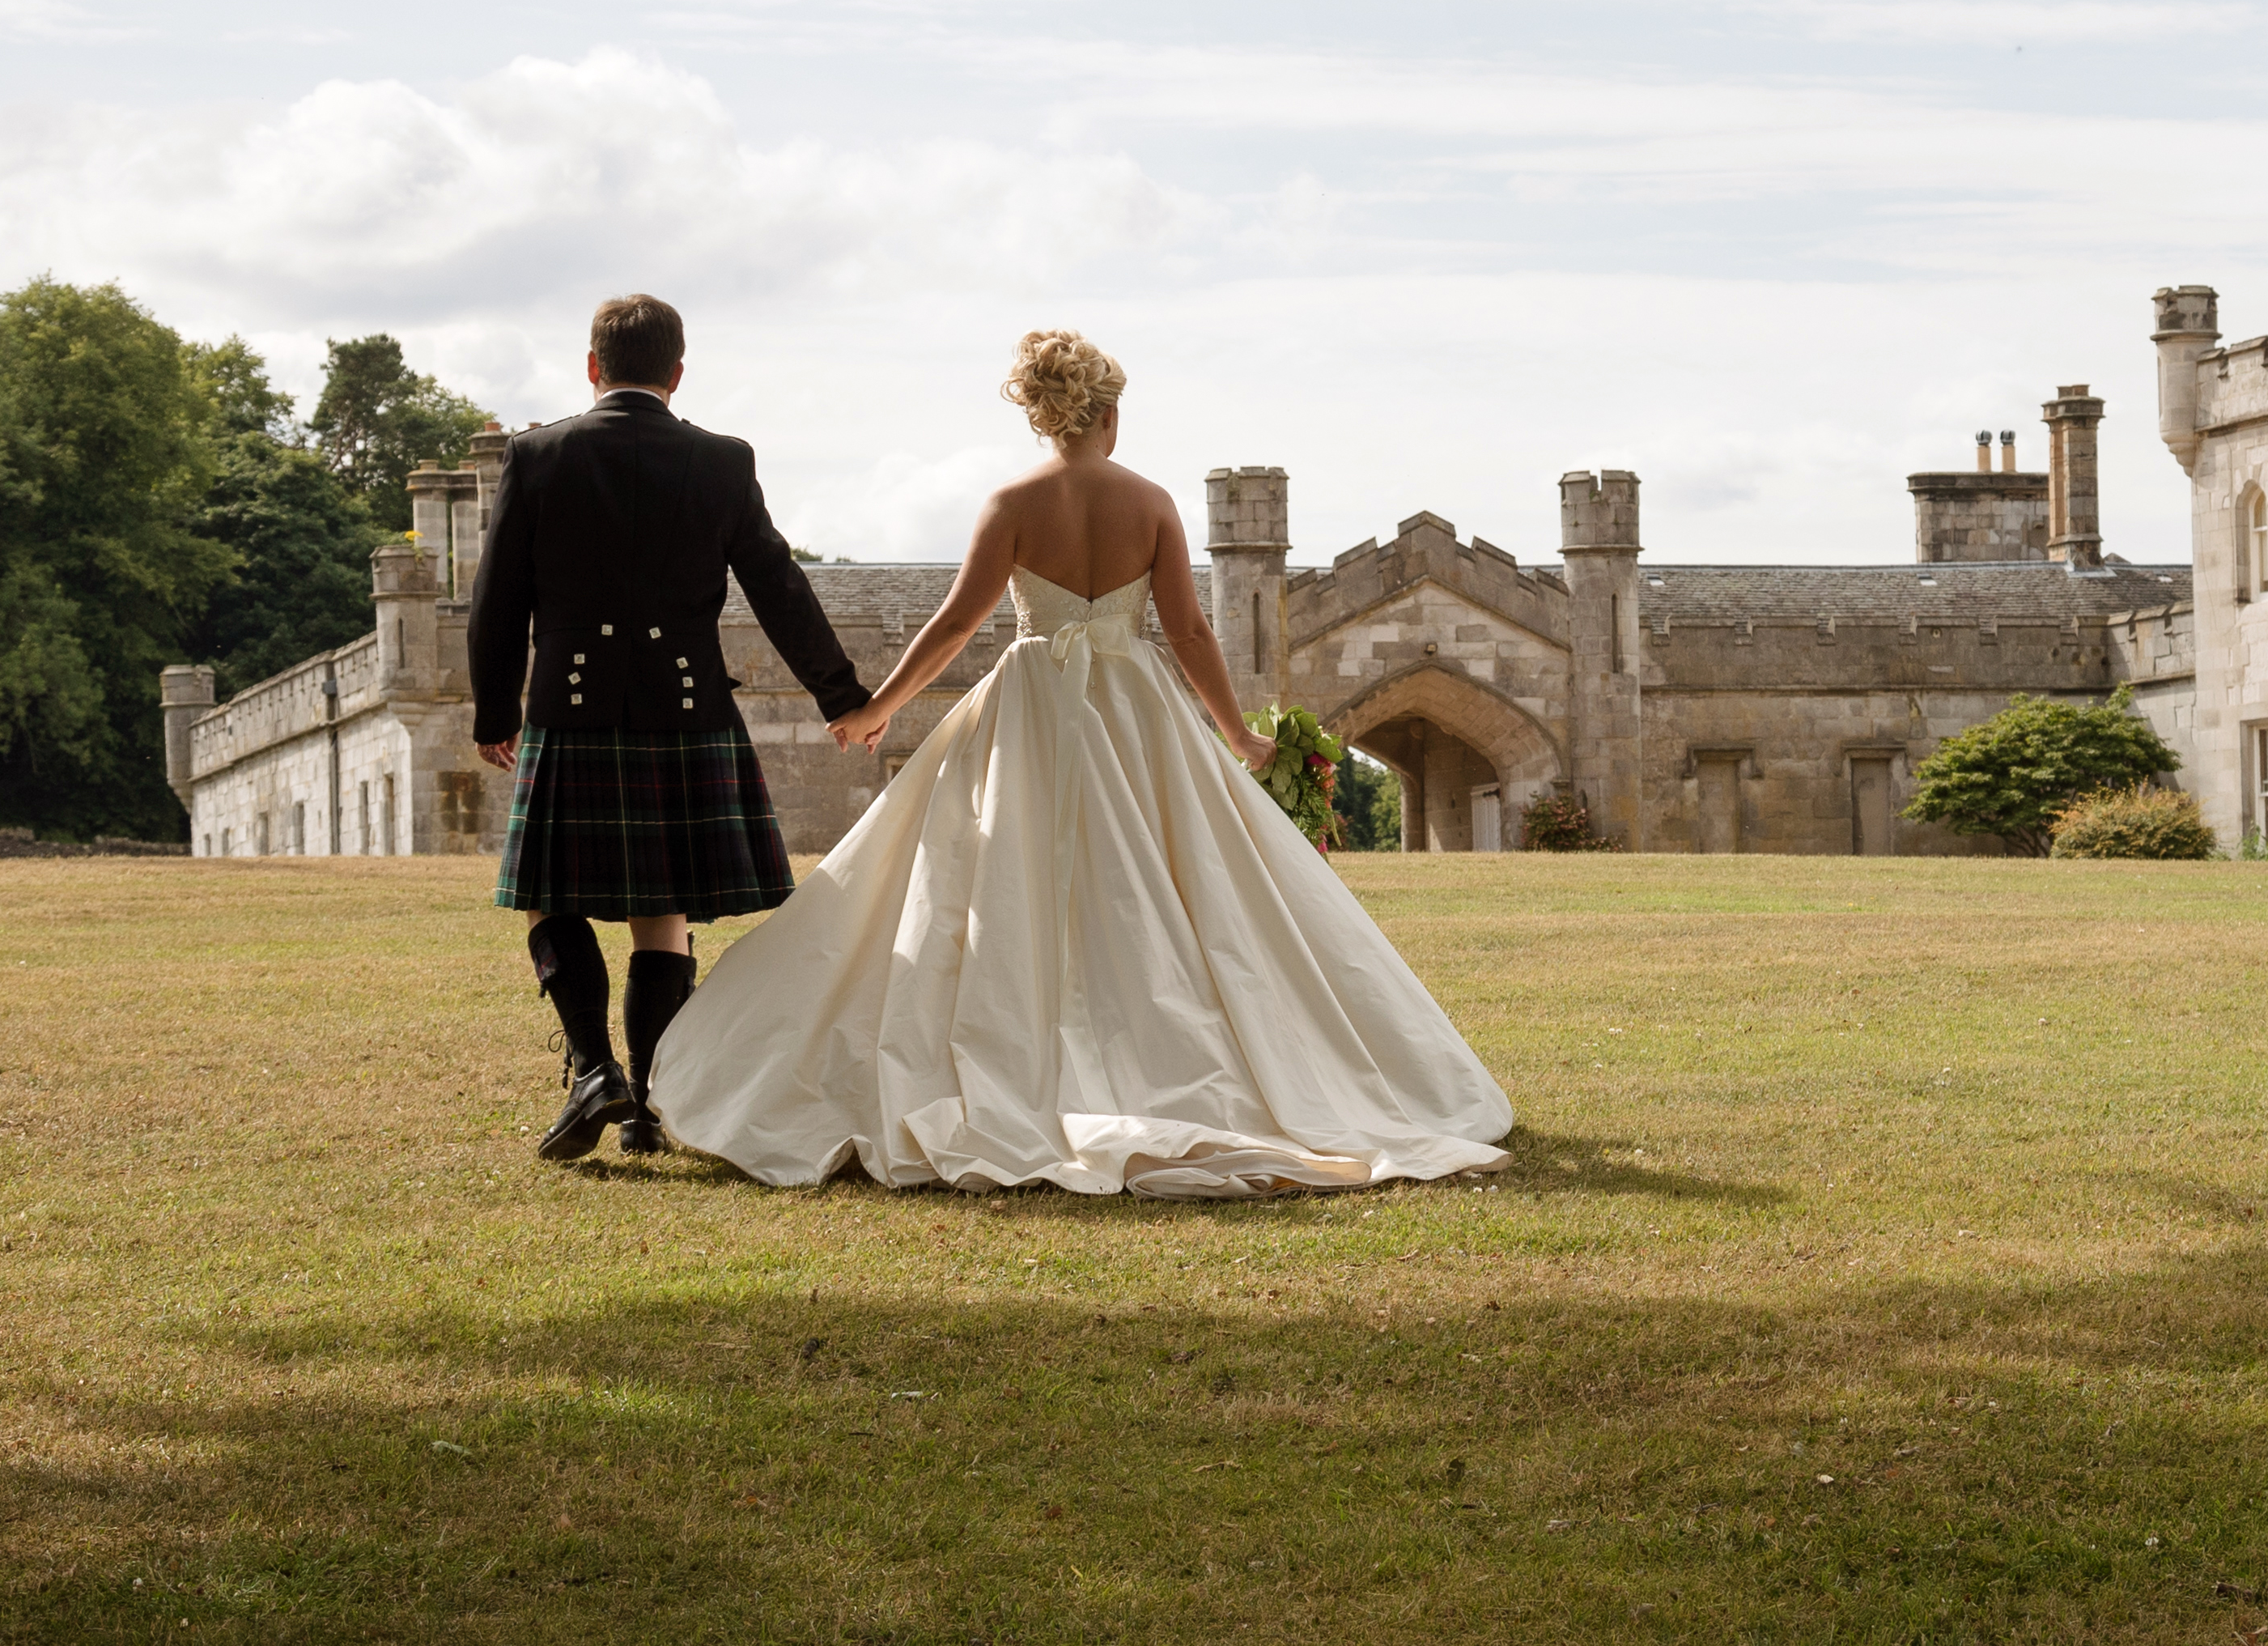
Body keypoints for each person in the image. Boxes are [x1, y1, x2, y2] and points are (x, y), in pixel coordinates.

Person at [646, 328, 1514, 1197]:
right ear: (1107, 413)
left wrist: (881, 708)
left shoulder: (1012, 503)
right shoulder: (1151, 503)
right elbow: (1188, 630)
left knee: (997, 874)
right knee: (1176, 881)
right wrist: (1235, 734)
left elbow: (955, 624)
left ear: (1044, 415)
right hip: (1136, 707)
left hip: (1031, 706)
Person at [460, 292, 872, 1162]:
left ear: (591, 366)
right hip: (685, 709)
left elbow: (496, 597)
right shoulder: (722, 461)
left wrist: (493, 711)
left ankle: (590, 1070)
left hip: (569, 709)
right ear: (677, 373)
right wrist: (839, 695)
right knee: (663, 910)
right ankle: (651, 1101)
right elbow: (777, 584)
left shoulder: (538, 455)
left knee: (548, 895)